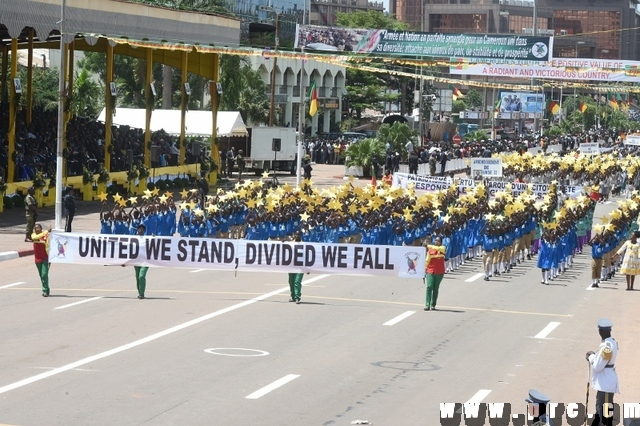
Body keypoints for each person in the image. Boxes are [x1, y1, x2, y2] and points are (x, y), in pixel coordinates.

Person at [586, 318, 619, 426]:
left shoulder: (606, 347)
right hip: (608, 381)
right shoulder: (612, 342)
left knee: (602, 412)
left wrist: (590, 357)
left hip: (605, 383)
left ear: (601, 332)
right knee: (606, 411)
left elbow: (597, 366)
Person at [424, 236, 446, 311]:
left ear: (441, 242)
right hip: (430, 271)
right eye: (436, 241)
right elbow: (427, 260)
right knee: (429, 287)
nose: (437, 242)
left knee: (435, 288)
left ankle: (433, 304)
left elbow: (438, 248)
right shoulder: (430, 250)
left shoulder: (443, 248)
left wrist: (428, 245)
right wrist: (425, 268)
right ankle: (427, 305)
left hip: (439, 272)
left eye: (438, 241)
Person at [32, 223, 51, 297]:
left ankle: (45, 290)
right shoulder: (33, 235)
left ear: (41, 229)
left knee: (44, 274)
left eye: (38, 228)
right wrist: (46, 231)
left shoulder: (45, 237)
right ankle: (46, 288)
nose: (37, 229)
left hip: (45, 258)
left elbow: (49, 245)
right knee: (41, 275)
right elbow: (35, 237)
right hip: (37, 259)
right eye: (36, 228)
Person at [287, 231, 305, 304]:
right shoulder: (291, 244)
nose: (297, 236)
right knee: (291, 282)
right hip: (291, 266)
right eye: (296, 234)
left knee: (297, 281)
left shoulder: (304, 245)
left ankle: (297, 297)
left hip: (300, 267)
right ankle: (293, 296)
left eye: (299, 234)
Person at [134, 224, 149, 299]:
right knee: (137, 277)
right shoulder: (133, 238)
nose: (140, 230)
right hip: (136, 261)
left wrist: (154, 237)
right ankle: (140, 291)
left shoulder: (147, 239)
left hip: (145, 261)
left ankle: (141, 293)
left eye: (142, 229)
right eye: (139, 229)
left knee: (141, 276)